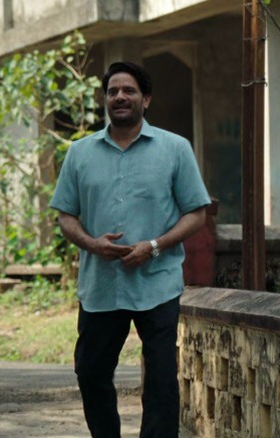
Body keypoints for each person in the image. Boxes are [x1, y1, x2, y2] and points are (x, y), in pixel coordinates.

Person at [50, 61, 211, 437]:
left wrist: (154, 246)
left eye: (129, 90)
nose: (120, 97)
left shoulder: (175, 149)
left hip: (157, 282)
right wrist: (91, 243)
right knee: (90, 373)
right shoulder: (79, 152)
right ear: (105, 99)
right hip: (100, 287)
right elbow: (66, 216)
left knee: (160, 380)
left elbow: (196, 214)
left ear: (146, 99)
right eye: (113, 91)